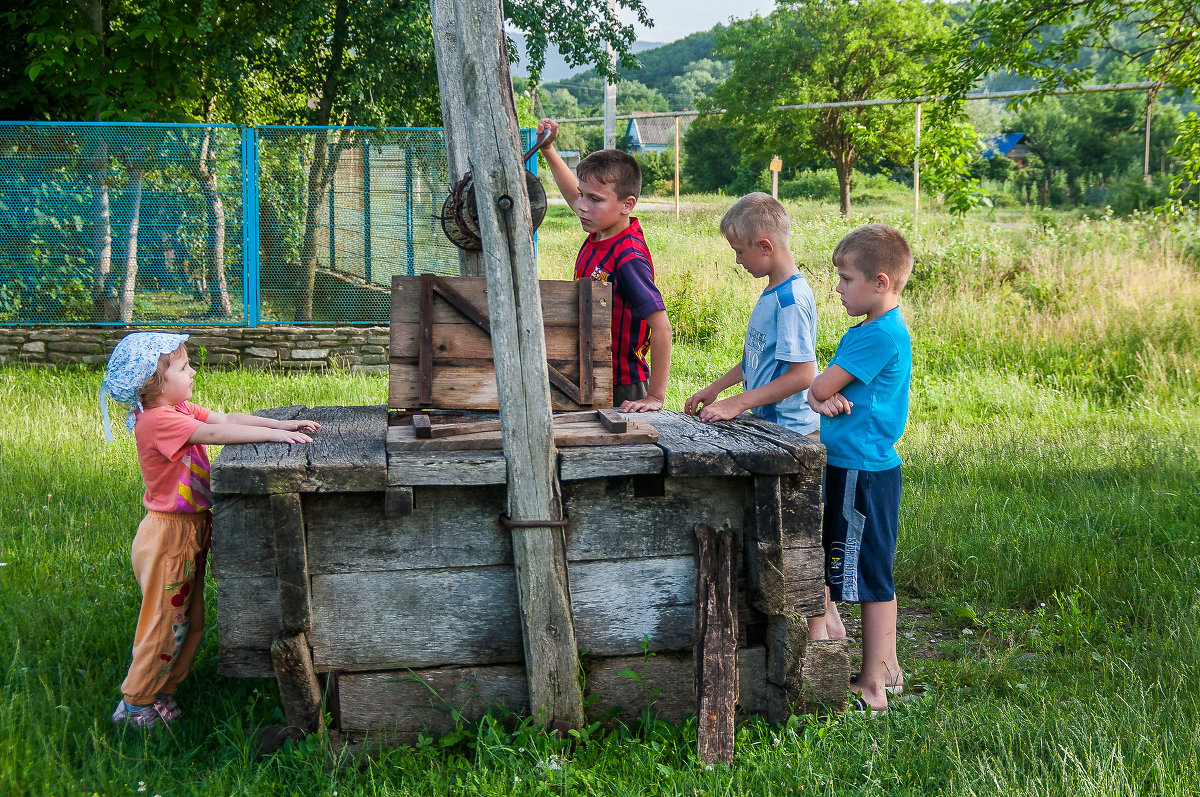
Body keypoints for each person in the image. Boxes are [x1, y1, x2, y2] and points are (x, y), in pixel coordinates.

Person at [100, 332, 321, 728]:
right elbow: (216, 435)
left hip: (191, 530)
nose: (193, 371)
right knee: (165, 623)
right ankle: (136, 704)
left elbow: (226, 420)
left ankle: (162, 690)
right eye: (183, 367)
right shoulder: (158, 421)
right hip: (168, 538)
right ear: (154, 381)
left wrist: (281, 423)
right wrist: (275, 437)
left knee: (190, 620)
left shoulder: (179, 407)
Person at [806, 224, 913, 713]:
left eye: (847, 279)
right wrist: (823, 398)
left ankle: (871, 687)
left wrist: (819, 398)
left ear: (881, 282)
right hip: (867, 466)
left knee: (866, 575)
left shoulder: (874, 337)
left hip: (859, 470)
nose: (839, 288)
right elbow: (827, 391)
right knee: (872, 569)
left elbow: (819, 387)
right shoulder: (880, 330)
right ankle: (885, 672)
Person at [535, 118, 672, 411]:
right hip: (590, 373)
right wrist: (549, 150)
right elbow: (573, 193)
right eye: (583, 195)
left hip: (623, 386)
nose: (582, 205)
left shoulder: (628, 257)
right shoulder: (599, 228)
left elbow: (661, 328)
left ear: (627, 204)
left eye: (594, 199)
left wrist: (655, 397)